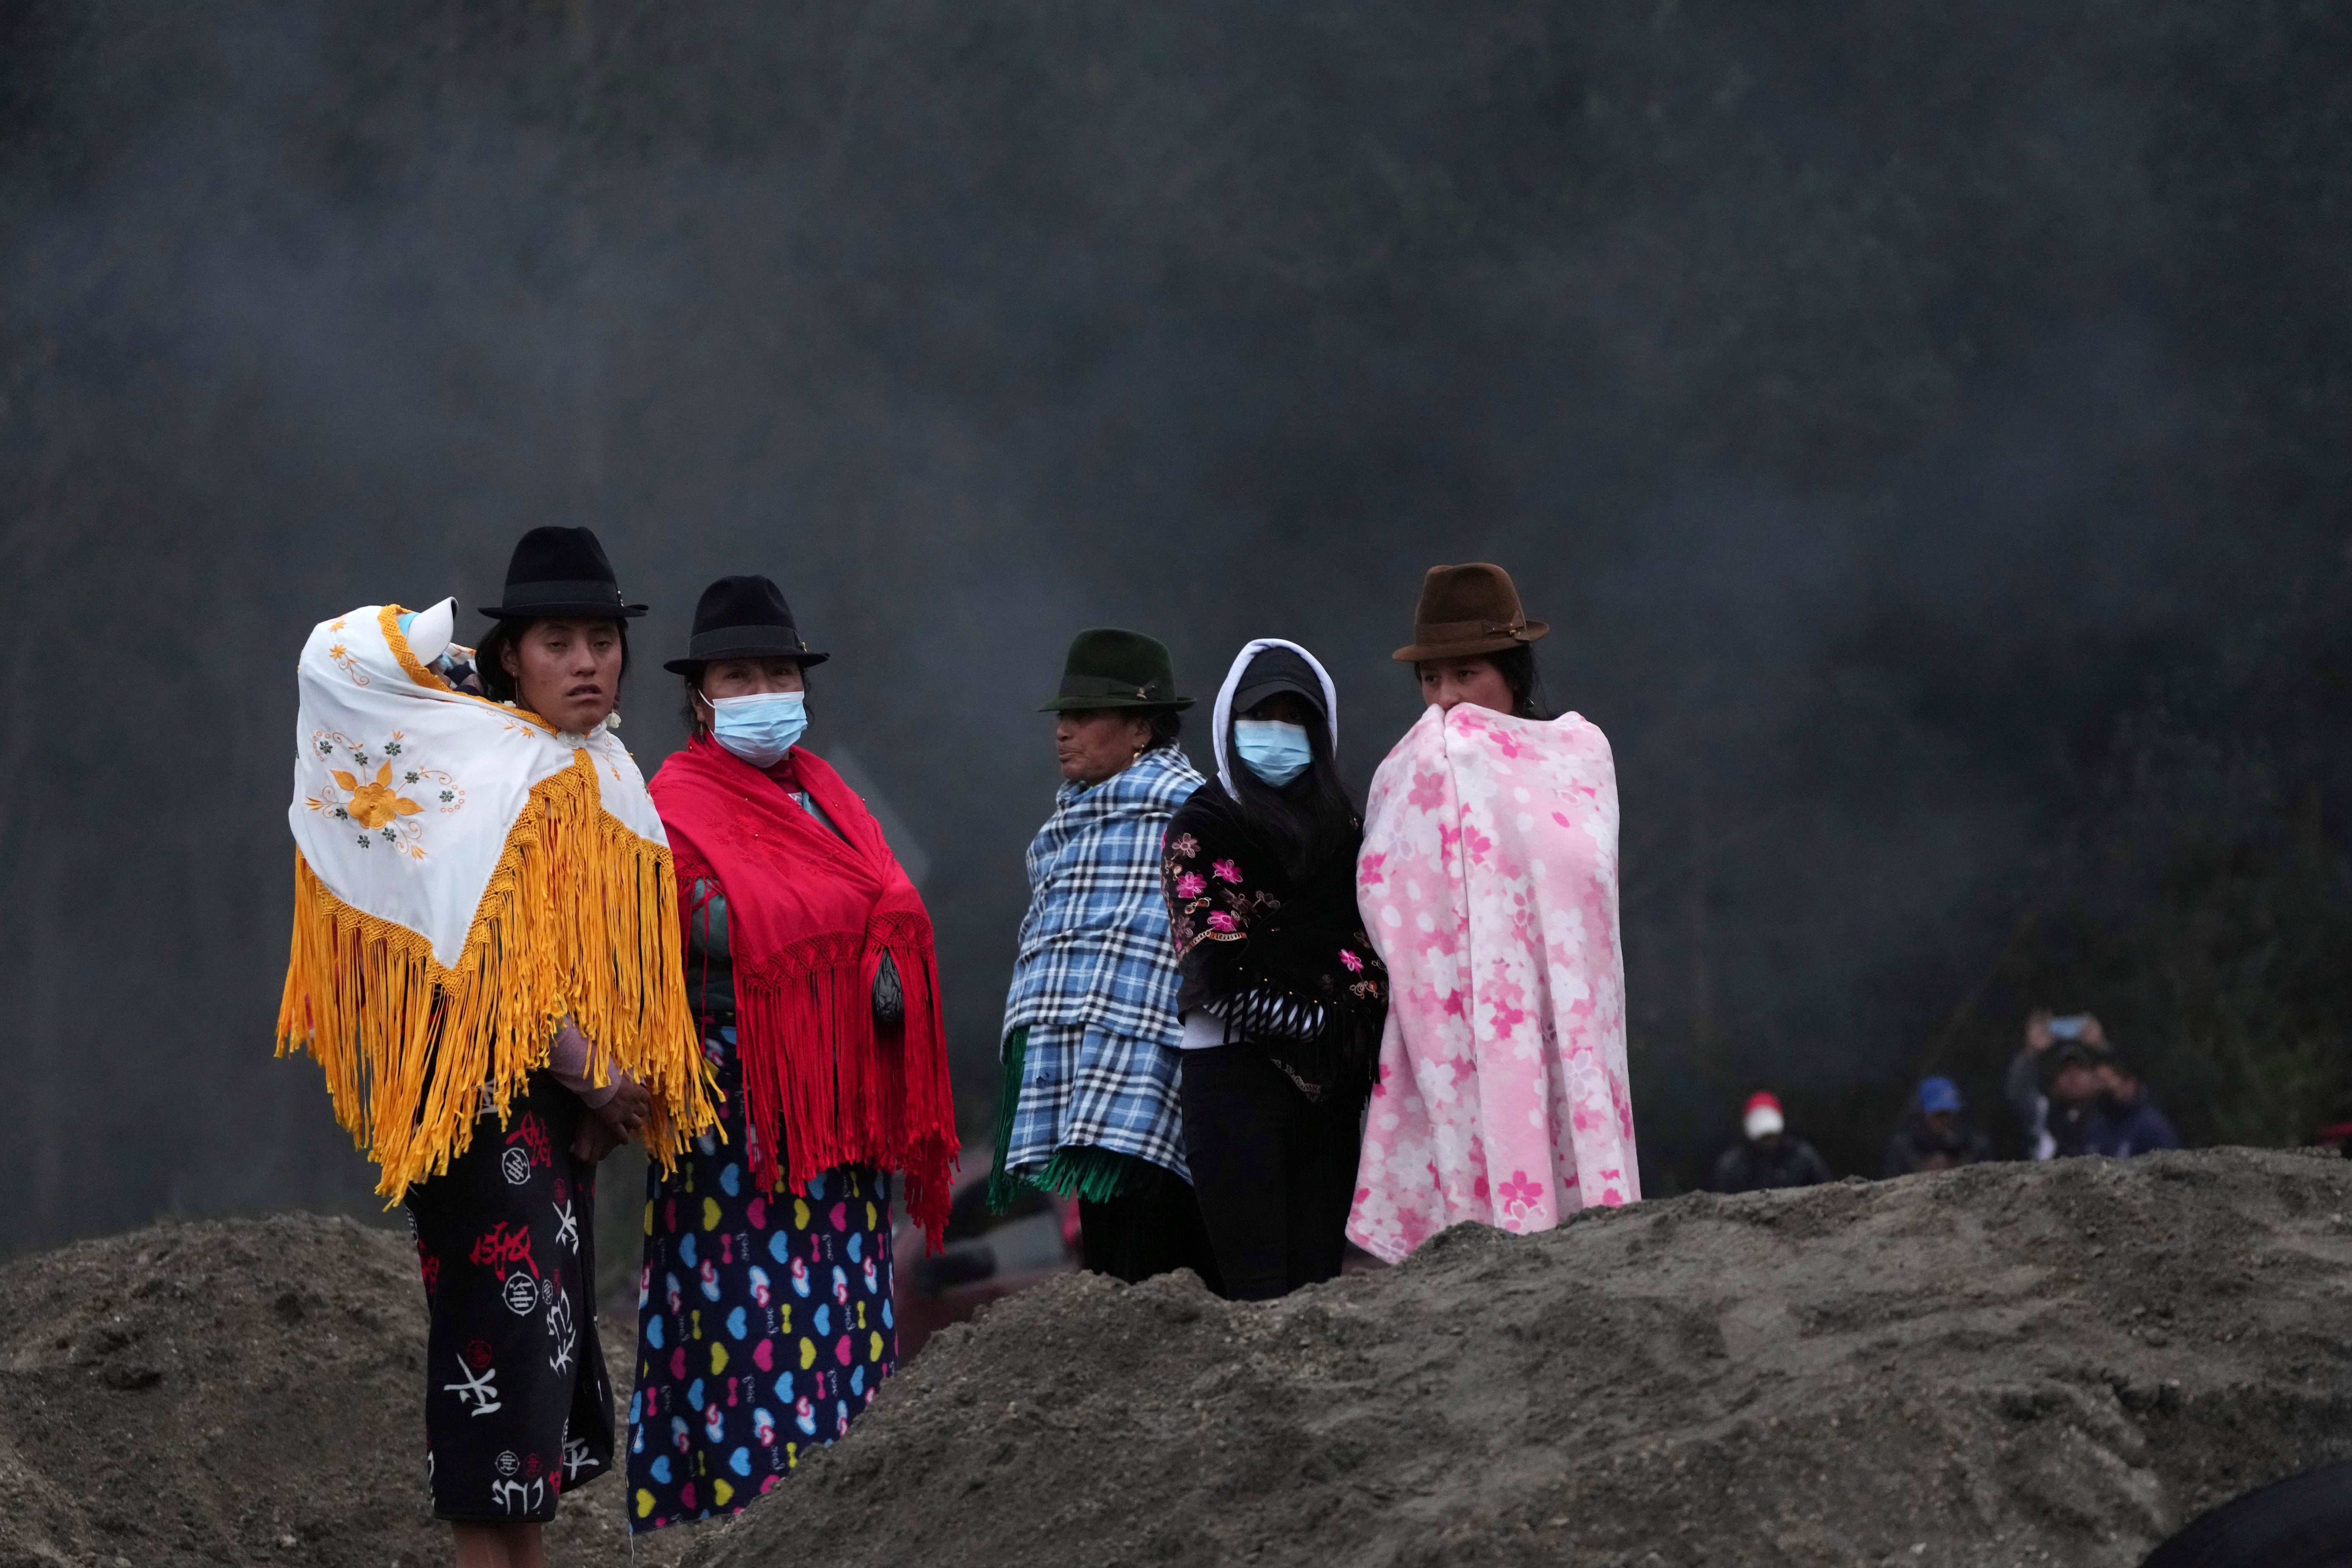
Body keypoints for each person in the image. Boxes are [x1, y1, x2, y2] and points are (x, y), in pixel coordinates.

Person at [277, 526, 716, 1568]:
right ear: (510, 655)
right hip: (480, 1109)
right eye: (557, 641)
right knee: (499, 1349)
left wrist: (611, 1085)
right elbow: (494, 960)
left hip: (557, 1105)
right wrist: (600, 1075)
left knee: (541, 1368)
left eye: (602, 640)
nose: (587, 662)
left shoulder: (603, 769)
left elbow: (603, 957)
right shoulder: (478, 761)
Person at [632, 575, 956, 1532]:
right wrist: (848, 923)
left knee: (848, 1326)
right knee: (750, 1337)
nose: (762, 688)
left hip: (845, 1116)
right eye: (739, 673)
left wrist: (837, 924)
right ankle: (749, 1524)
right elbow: (712, 918)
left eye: (778, 670)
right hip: (740, 1120)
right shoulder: (673, 800)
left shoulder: (831, 794)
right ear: (701, 695)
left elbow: (898, 896)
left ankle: (841, 1525)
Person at [1348, 564, 1640, 1264]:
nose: (1447, 700)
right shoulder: (1402, 774)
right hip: (1451, 1028)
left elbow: (1584, 889)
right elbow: (1383, 897)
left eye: (1466, 674)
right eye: (1431, 680)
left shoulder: (1577, 755)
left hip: (1556, 1011)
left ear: (1513, 671)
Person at [989, 629, 1222, 1289]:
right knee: (1108, 1277)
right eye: (1063, 716)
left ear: (1142, 728)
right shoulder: (1069, 828)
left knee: (1168, 1277)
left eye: (1085, 715)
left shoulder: (1193, 815)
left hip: (1166, 1089)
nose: (1064, 732)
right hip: (1086, 1091)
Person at [1161, 640, 1389, 1300]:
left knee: (1319, 1284)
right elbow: (1217, 968)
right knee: (1257, 1290)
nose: (1277, 737)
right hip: (1234, 1083)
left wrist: (1332, 1014)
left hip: (1329, 1097)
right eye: (1260, 719)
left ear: (1322, 734)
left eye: (1296, 721)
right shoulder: (1201, 826)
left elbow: (1374, 948)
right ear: (1229, 726)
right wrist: (1324, 1017)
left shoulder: (1347, 830)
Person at [2004, 1009, 2109, 1159]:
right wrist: (2032, 1052)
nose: (2073, 1076)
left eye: (2080, 1069)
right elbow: (2017, 1093)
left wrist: (2100, 1046)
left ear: (2094, 1076)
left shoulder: (2109, 1111)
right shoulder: (2046, 1116)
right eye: (2065, 1071)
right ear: (2055, 1082)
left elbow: (2121, 1081)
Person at [1707, 1091, 1834, 1192]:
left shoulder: (1802, 1156)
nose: (1768, 1142)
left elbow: (1828, 1191)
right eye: (1763, 1138)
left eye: (1771, 1136)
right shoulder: (1733, 1165)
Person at [1881, 1076, 1995, 1177]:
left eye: (1950, 1114)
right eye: (1939, 1115)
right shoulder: (1903, 1147)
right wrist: (1921, 1169)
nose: (1945, 1121)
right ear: (1922, 1114)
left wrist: (1960, 1165)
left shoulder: (1976, 1143)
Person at [2084, 1054, 2181, 1158]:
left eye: (2105, 1081)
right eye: (2097, 1081)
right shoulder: (2095, 1128)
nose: (2100, 1088)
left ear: (2130, 1083)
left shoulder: (2150, 1127)